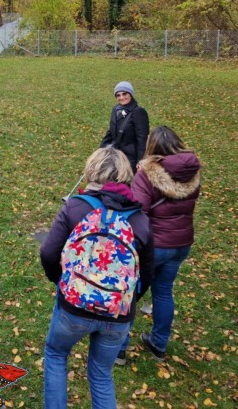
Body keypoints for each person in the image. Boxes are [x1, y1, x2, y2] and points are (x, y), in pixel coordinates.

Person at [40, 147, 153, 409]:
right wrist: (126, 299)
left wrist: (62, 282)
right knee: (102, 375)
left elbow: (48, 252)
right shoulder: (139, 220)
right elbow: (147, 273)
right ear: (126, 175)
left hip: (73, 306)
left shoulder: (75, 207)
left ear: (91, 170)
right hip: (118, 314)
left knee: (56, 355)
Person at [131, 126, 201, 361]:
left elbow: (138, 211)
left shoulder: (146, 174)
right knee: (163, 292)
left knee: (132, 293)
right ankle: (159, 343)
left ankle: (118, 348)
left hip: (155, 246)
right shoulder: (192, 172)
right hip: (181, 243)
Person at [100, 81, 149, 174]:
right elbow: (111, 131)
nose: (121, 97)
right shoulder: (116, 109)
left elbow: (142, 139)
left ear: (131, 94)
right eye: (118, 95)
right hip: (116, 155)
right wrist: (101, 150)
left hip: (131, 158)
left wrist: (141, 161)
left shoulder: (138, 112)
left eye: (124, 94)